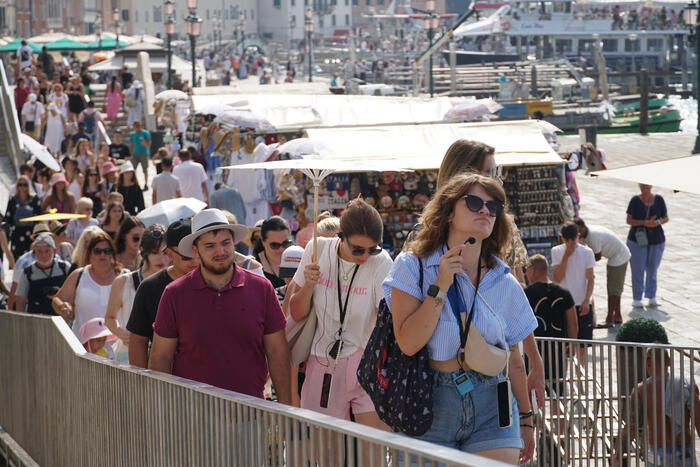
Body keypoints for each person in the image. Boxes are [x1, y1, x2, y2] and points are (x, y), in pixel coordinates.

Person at [383, 173, 536, 464]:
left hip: (493, 400)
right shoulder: (412, 265)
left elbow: (514, 359)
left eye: (494, 207)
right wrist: (440, 284)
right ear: (449, 211)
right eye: (475, 202)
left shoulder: (504, 280)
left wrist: (527, 419)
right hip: (429, 400)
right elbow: (409, 343)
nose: (485, 211)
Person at [435, 138, 545, 406]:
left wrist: (535, 359)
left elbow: (513, 293)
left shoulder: (501, 224)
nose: (499, 181)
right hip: (441, 368)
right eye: (490, 173)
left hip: (497, 358)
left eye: (498, 173)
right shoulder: (431, 232)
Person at [148, 209, 291, 403]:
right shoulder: (174, 293)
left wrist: (285, 408)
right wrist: (164, 411)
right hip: (191, 418)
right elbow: (161, 357)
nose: (220, 252)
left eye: (226, 243)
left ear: (234, 243)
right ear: (196, 251)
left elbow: (277, 352)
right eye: (210, 246)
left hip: (251, 414)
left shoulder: (262, 288)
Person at [289, 198, 393, 427]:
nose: (365, 256)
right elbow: (296, 314)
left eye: (372, 249)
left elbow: (388, 322)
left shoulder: (382, 261)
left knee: (373, 450)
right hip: (323, 360)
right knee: (327, 452)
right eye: (357, 249)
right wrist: (308, 285)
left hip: (368, 363)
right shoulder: (317, 249)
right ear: (340, 235)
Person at [127, 220, 198, 368]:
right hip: (167, 379)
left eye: (198, 252)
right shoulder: (149, 287)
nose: (195, 260)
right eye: (186, 256)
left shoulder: (213, 281)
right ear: (170, 254)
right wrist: (141, 382)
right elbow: (138, 340)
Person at [614, 348, 700, 467]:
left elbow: (631, 428)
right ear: (669, 362)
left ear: (647, 362)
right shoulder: (687, 385)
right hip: (685, 452)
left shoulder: (641, 390)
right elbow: (699, 422)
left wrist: (617, 456)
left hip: (658, 452)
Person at [105, 224, 168, 362]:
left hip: (165, 356)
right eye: (154, 252)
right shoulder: (123, 281)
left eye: (164, 252)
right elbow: (109, 318)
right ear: (142, 251)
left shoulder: (176, 281)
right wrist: (122, 334)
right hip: (127, 353)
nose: (160, 259)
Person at [524, 254, 577, 398]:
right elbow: (573, 322)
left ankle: (536, 421)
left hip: (533, 350)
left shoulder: (526, 294)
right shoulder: (564, 293)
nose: (526, 274)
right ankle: (558, 421)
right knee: (557, 394)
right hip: (557, 350)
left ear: (533, 270)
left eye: (526, 270)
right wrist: (572, 344)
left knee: (532, 395)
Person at [52, 231, 124, 336]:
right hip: (85, 346)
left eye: (107, 251)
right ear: (90, 253)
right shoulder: (78, 275)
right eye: (97, 251)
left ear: (112, 253)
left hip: (119, 345)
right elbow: (56, 300)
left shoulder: (125, 276)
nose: (102, 254)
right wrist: (62, 306)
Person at [573, 218, 631, 327]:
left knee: (613, 289)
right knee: (615, 288)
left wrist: (583, 265)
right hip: (615, 255)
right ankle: (617, 316)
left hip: (619, 256)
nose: (578, 234)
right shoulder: (585, 234)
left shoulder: (593, 236)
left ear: (583, 227)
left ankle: (609, 319)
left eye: (578, 231)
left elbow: (597, 256)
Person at [551, 222, 596, 347]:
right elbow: (558, 278)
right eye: (567, 240)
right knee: (565, 346)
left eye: (573, 239)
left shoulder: (587, 252)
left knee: (582, 345)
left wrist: (587, 300)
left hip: (581, 302)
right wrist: (566, 256)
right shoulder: (556, 251)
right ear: (562, 238)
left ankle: (580, 367)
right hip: (564, 304)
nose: (571, 243)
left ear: (578, 236)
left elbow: (590, 278)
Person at [626, 184, 668, 308]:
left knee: (653, 269)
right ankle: (637, 297)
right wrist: (643, 223)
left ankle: (651, 296)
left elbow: (666, 217)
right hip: (638, 238)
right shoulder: (635, 200)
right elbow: (629, 220)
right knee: (637, 269)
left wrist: (658, 222)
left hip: (656, 239)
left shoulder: (659, 199)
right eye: (643, 188)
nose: (646, 190)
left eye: (648, 188)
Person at [14, 233, 72, 315]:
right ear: (34, 252)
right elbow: (20, 301)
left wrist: (60, 294)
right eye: (39, 251)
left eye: (47, 251)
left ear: (54, 251)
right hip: (37, 321)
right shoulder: (27, 273)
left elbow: (75, 293)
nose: (43, 255)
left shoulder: (65, 268)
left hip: (62, 320)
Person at [5, 175, 42, 259]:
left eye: (25, 184)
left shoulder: (34, 199)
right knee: (17, 257)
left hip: (30, 232)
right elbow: (8, 217)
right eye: (20, 184)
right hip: (17, 233)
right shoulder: (13, 200)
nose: (22, 187)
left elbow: (39, 215)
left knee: (31, 256)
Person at [255, 216, 293, 289]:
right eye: (274, 245)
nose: (281, 249)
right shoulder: (254, 267)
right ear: (263, 242)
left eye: (285, 243)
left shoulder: (299, 258)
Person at [128, 121, 151, 191]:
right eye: (136, 126)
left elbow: (149, 142)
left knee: (145, 169)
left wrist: (146, 144)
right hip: (135, 154)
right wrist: (130, 153)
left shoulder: (145, 133)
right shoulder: (132, 134)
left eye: (139, 125)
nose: (138, 127)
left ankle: (146, 184)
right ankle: (135, 183)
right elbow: (131, 144)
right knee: (133, 169)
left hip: (143, 153)